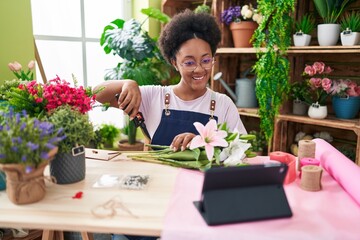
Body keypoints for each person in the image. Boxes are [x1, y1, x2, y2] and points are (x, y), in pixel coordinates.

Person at [95, 9, 247, 156]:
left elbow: (241, 150)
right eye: (189, 63)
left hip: (203, 182)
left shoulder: (223, 104)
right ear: (174, 62)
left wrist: (201, 142)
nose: (199, 69)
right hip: (159, 180)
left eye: (206, 60)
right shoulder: (154, 96)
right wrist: (128, 84)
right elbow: (97, 94)